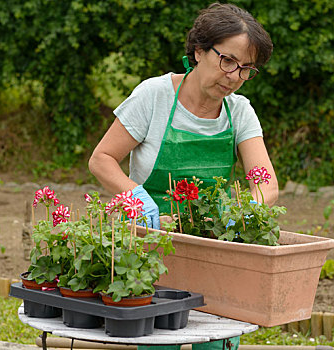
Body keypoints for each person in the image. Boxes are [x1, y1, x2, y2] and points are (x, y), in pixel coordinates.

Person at [89, 3, 277, 349]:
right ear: (199, 51)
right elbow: (101, 159)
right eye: (228, 61)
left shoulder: (239, 112)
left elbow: (265, 182)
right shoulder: (155, 96)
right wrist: (136, 197)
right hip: (151, 248)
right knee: (159, 339)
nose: (235, 76)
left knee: (215, 339)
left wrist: (244, 213)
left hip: (211, 249)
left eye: (246, 68)